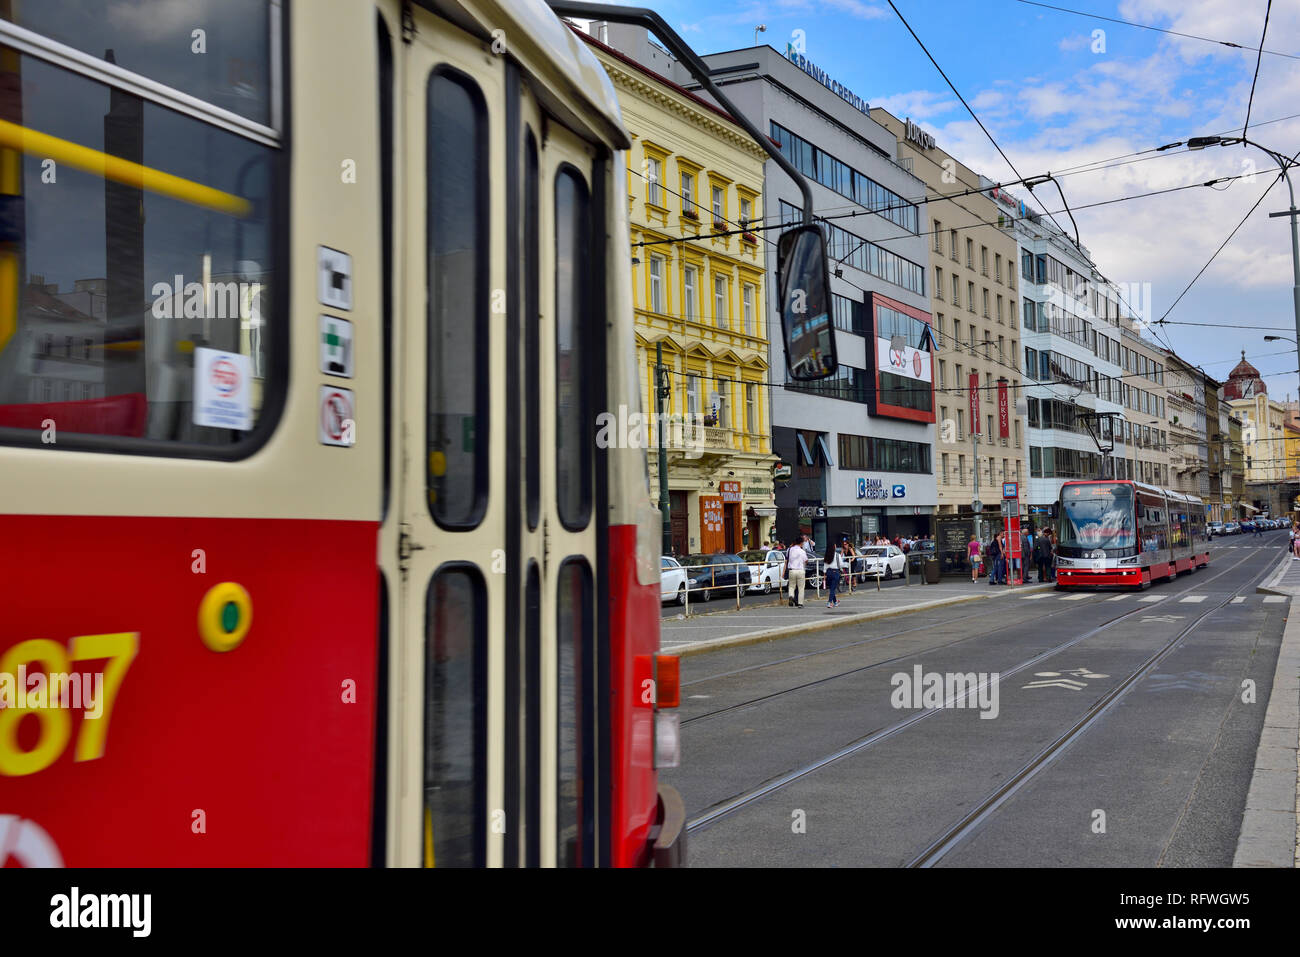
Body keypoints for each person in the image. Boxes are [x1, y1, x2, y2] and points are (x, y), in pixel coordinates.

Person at [786, 535, 808, 606]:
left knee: (791, 586)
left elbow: (787, 558)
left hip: (792, 570)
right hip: (800, 570)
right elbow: (806, 560)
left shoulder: (790, 550)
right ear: (801, 543)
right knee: (801, 588)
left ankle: (791, 596)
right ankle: (800, 603)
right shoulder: (802, 551)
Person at [823, 540, 845, 608]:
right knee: (833, 588)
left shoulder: (827, 555)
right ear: (834, 547)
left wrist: (824, 574)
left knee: (831, 588)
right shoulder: (837, 555)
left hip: (828, 572)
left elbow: (825, 566)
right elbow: (841, 565)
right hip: (835, 572)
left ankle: (835, 602)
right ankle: (829, 602)